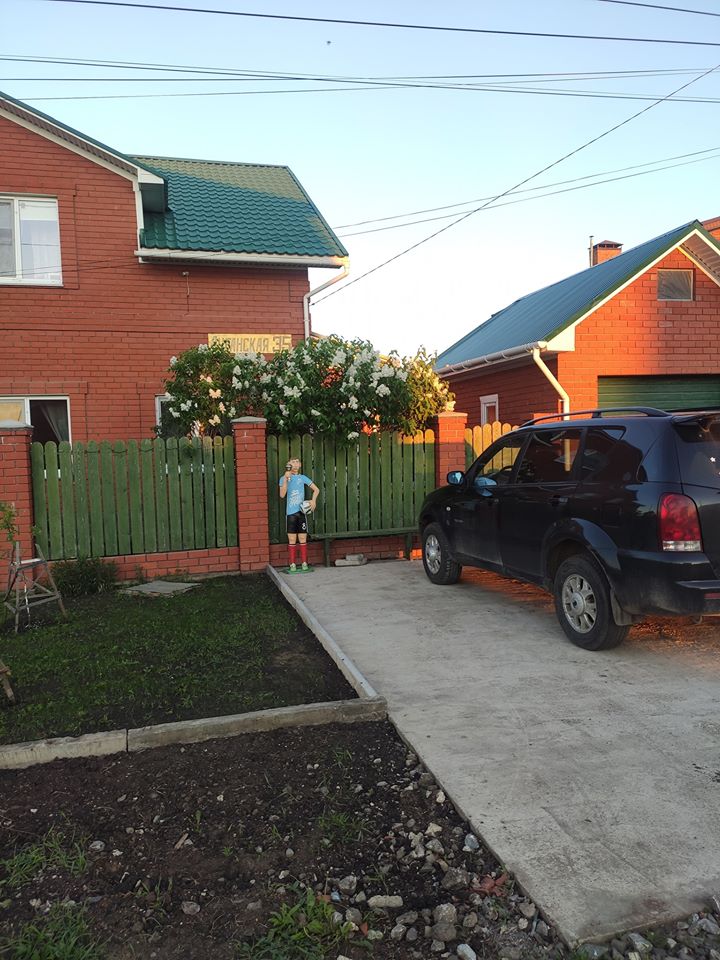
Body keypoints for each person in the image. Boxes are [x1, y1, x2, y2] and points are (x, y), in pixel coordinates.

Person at [279, 458, 319, 573]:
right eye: (293, 462)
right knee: (292, 539)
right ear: (288, 465)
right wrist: (286, 479)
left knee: (302, 538)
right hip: (291, 514)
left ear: (300, 465)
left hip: (301, 513)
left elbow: (316, 490)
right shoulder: (283, 478)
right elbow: (282, 494)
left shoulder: (303, 478)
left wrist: (313, 501)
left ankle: (304, 563)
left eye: (297, 462)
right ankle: (292, 564)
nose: (295, 464)